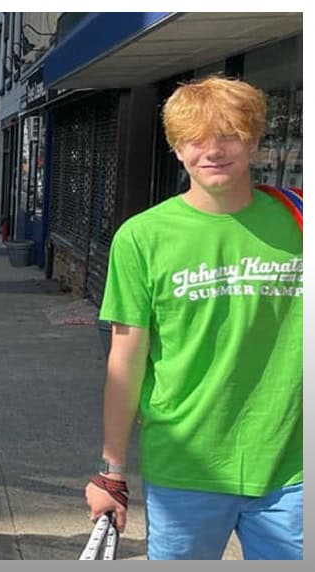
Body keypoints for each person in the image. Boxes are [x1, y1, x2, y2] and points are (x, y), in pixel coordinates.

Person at [85, 76, 302, 560]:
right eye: (195, 139)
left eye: (229, 135)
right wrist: (111, 470)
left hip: (292, 468)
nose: (213, 151)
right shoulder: (142, 238)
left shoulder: (299, 221)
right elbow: (126, 360)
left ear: (254, 140)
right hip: (186, 467)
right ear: (177, 150)